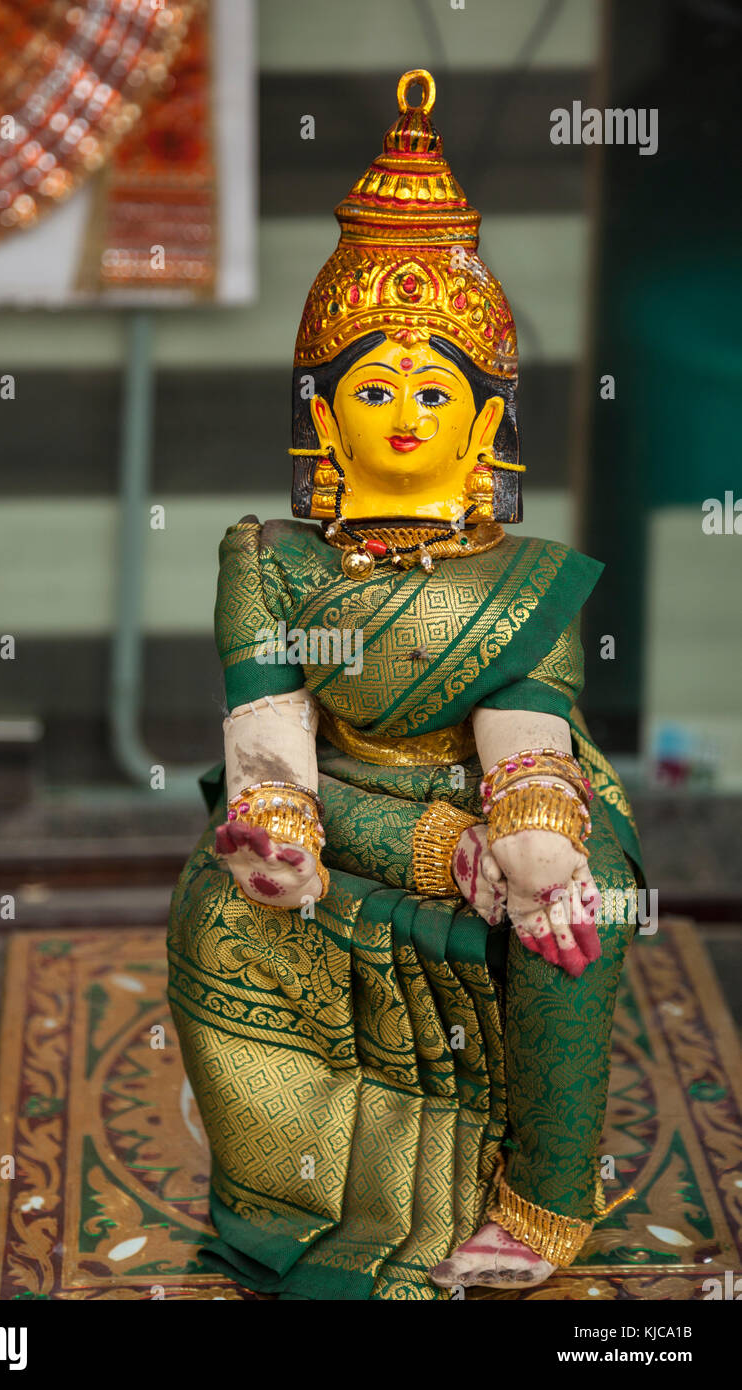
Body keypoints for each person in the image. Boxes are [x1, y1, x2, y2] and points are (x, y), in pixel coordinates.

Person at [167, 69, 644, 1300]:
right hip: (345, 809)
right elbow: (267, 743)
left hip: (508, 805)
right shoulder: (266, 562)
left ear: (485, 423)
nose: (399, 420)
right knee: (223, 910)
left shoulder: (526, 578)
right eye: (370, 390)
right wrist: (280, 830)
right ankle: (303, 1196)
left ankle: (541, 1200)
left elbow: (527, 737)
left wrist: (528, 841)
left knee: (565, 921)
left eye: (434, 394)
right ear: (319, 414)